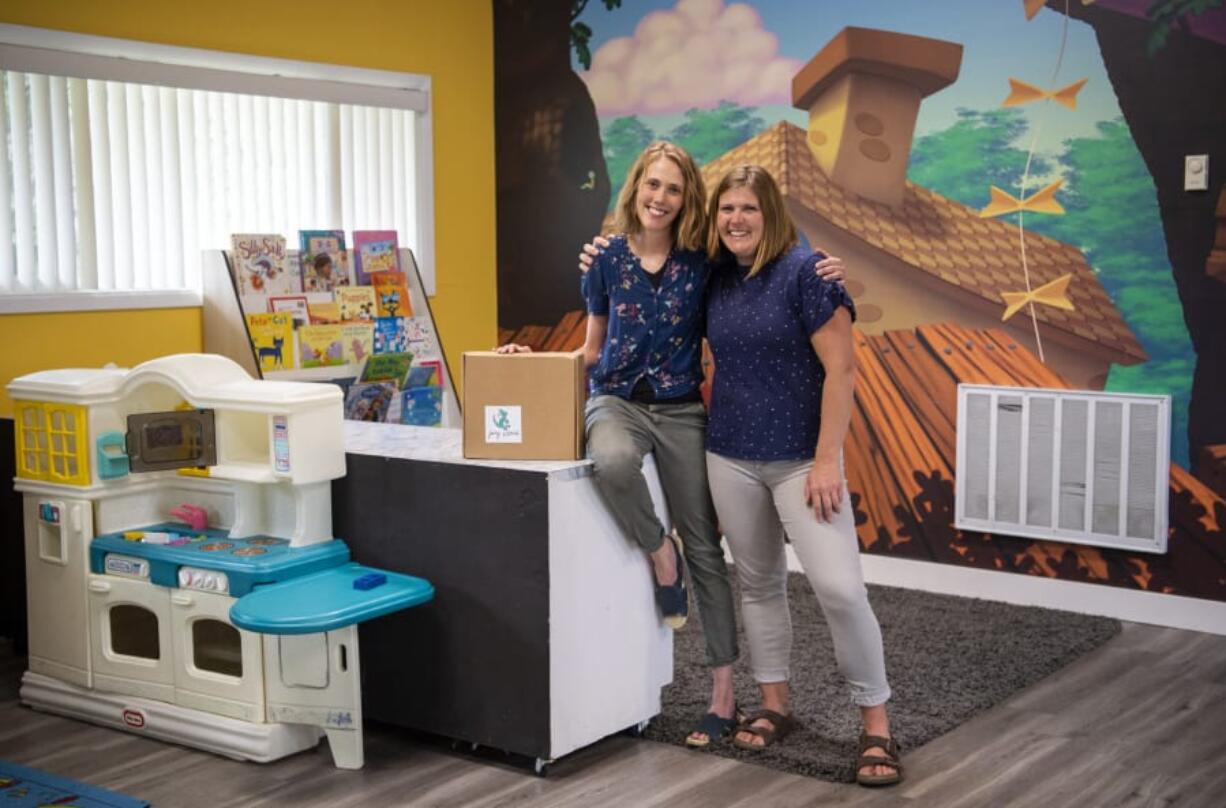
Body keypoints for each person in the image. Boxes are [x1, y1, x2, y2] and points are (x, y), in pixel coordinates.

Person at [502, 141, 845, 748]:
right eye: (651, 185)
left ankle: (723, 695)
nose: (660, 198)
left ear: (687, 200)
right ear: (635, 188)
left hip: (683, 409)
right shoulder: (604, 260)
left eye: (674, 189)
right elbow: (591, 349)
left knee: (709, 552)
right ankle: (661, 552)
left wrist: (832, 270)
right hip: (617, 402)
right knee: (609, 459)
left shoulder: (702, 261)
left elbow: (765, 254)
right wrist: (531, 365)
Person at [702, 164, 901, 786]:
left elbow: (841, 373)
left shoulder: (807, 274)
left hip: (800, 461)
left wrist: (826, 460)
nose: (736, 220)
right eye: (727, 209)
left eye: (749, 209)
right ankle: (775, 705)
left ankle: (877, 727)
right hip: (729, 453)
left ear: (772, 215)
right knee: (758, 584)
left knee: (840, 589)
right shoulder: (713, 278)